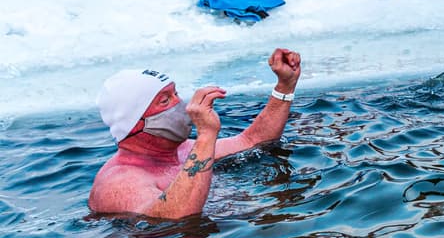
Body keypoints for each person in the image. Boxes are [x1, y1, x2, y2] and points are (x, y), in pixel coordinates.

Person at [88, 49, 302, 218]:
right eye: (165, 100)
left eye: (176, 94)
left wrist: (285, 87)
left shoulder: (183, 151)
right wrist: (206, 135)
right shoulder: (119, 183)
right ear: (135, 123)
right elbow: (170, 218)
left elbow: (254, 140)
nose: (182, 105)